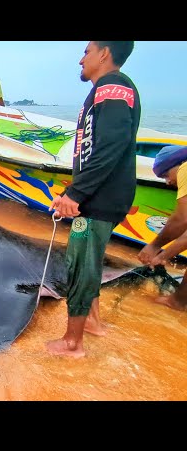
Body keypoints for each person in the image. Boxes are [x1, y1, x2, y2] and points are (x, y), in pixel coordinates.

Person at [46, 41, 140, 358]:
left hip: (99, 199)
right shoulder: (104, 89)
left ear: (104, 53)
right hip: (97, 194)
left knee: (79, 262)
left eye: (87, 51)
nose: (81, 59)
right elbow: (93, 149)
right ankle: (92, 322)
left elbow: (112, 145)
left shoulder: (113, 86)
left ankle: (73, 343)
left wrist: (76, 194)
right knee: (90, 259)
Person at [137, 145, 187, 311]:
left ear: (177, 164)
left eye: (165, 174)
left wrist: (156, 248)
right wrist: (164, 255)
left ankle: (177, 302)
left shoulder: (185, 168)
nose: (167, 182)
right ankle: (178, 302)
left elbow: (181, 219)